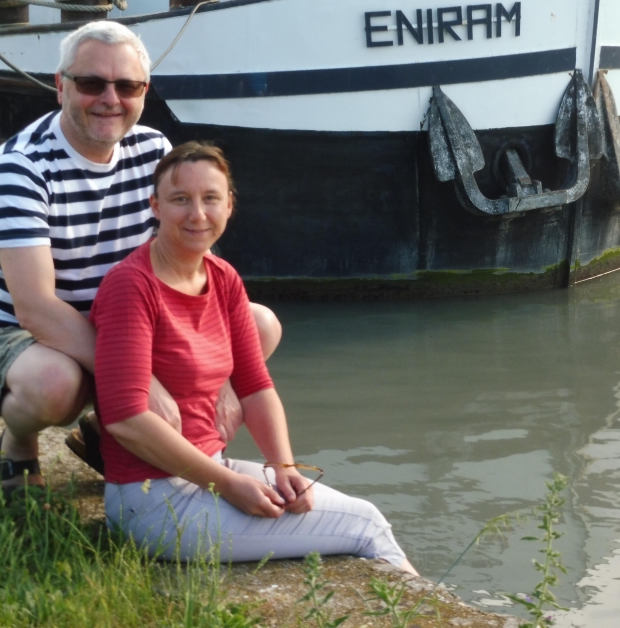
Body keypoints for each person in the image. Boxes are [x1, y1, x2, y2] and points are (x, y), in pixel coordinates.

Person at [0, 20, 279, 493]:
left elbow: (189, 264)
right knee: (55, 384)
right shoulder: (21, 171)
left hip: (122, 318)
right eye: (92, 83)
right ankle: (19, 442)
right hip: (19, 331)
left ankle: (117, 432)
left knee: (259, 326)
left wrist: (221, 376)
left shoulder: (153, 150)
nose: (109, 99)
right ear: (61, 86)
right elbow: (35, 307)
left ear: (144, 91)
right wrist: (142, 378)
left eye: (127, 85)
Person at [92, 142, 415, 571]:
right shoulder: (131, 286)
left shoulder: (223, 278)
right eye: (180, 200)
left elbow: (255, 385)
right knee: (365, 527)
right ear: (155, 206)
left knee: (358, 515)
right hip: (151, 501)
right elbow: (126, 420)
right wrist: (228, 484)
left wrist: (283, 465)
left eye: (211, 199)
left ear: (230, 204)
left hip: (207, 471)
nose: (198, 214)